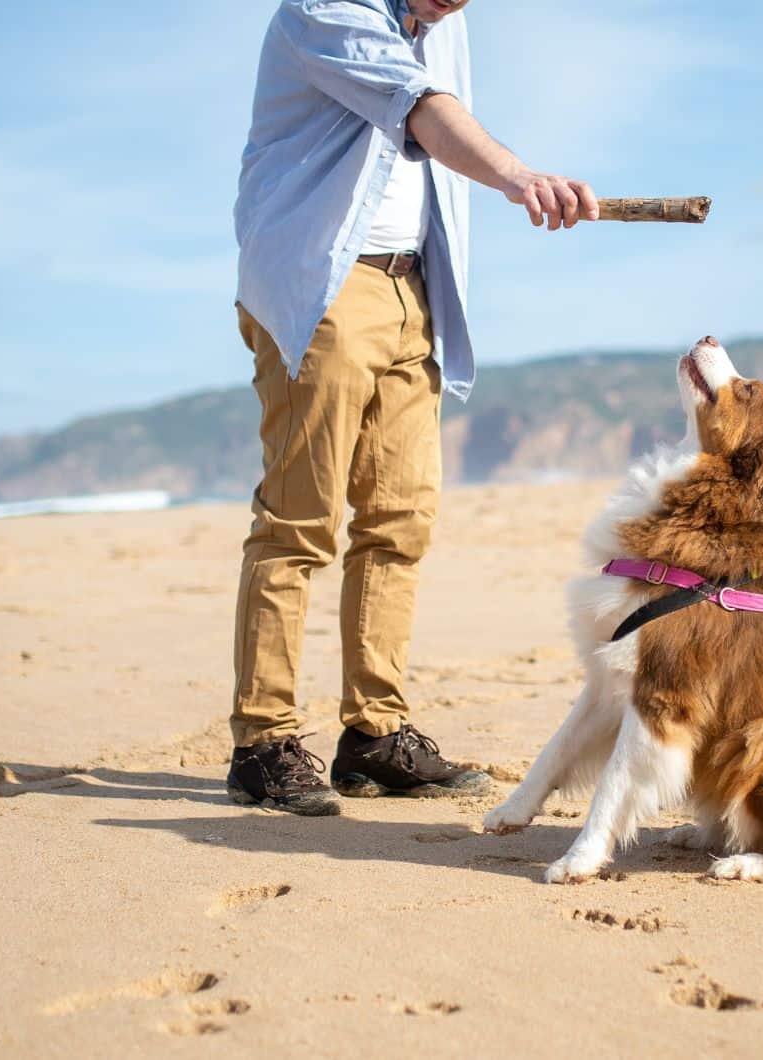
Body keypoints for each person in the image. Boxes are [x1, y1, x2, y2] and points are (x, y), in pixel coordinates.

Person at [228, 0, 598, 815]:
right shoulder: (324, 10)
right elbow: (425, 111)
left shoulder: (443, 22)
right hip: (321, 284)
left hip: (413, 287)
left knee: (400, 519)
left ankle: (374, 736)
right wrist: (520, 177)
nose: (452, 5)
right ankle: (262, 743)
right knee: (300, 519)